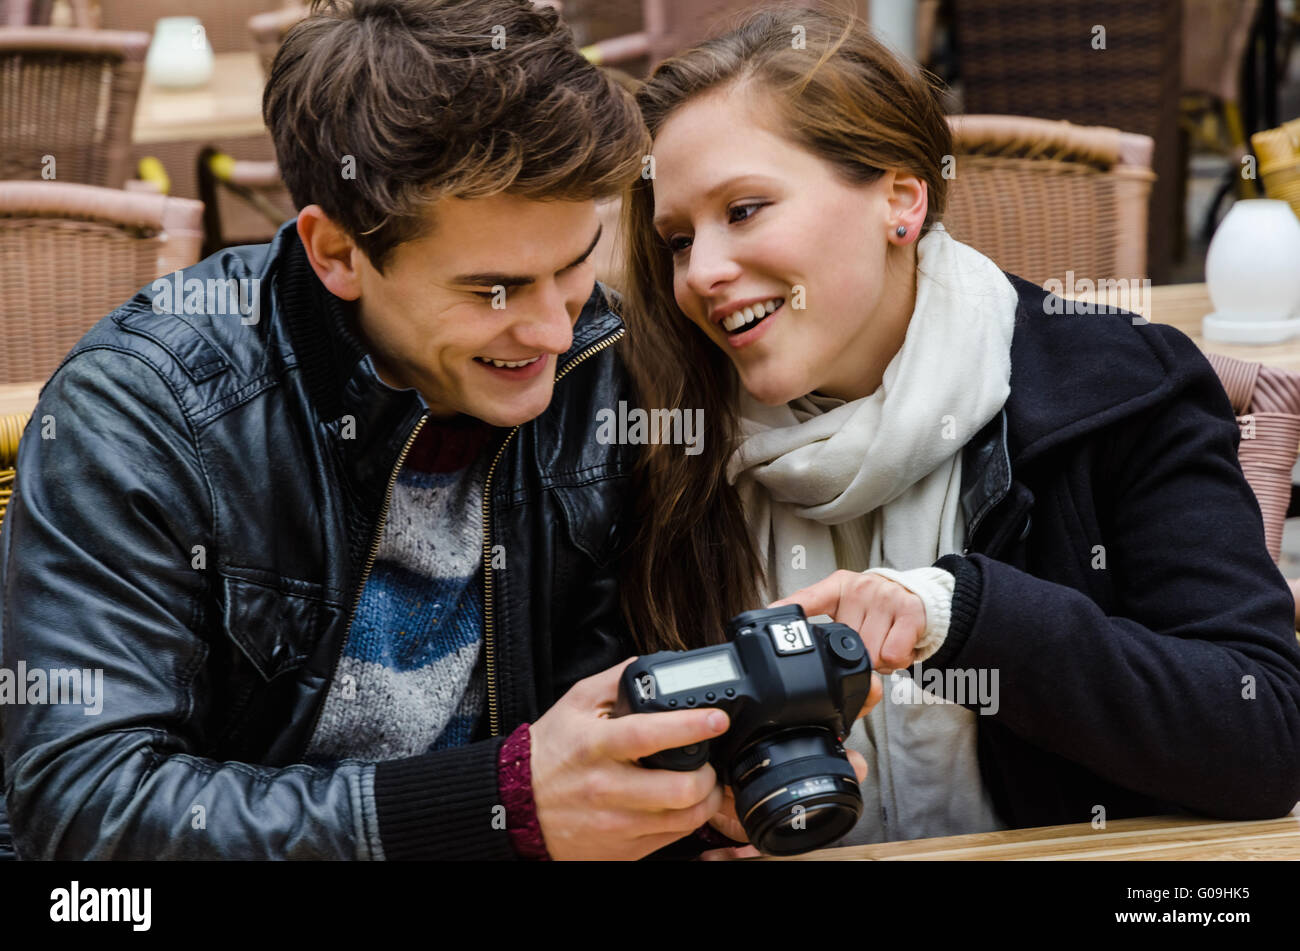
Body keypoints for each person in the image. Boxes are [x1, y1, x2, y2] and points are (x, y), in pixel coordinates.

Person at [0, 0, 765, 861]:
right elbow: (80, 810)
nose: (555, 330)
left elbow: (608, 707)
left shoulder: (602, 366)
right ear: (336, 253)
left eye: (576, 261)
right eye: (494, 290)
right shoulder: (142, 413)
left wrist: (697, 786)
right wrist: (494, 802)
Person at [618, 7, 1300, 853]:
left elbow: (1261, 732)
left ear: (901, 200)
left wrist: (960, 614)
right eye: (679, 239)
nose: (704, 272)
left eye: (747, 209)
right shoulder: (652, 433)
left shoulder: (1122, 390)